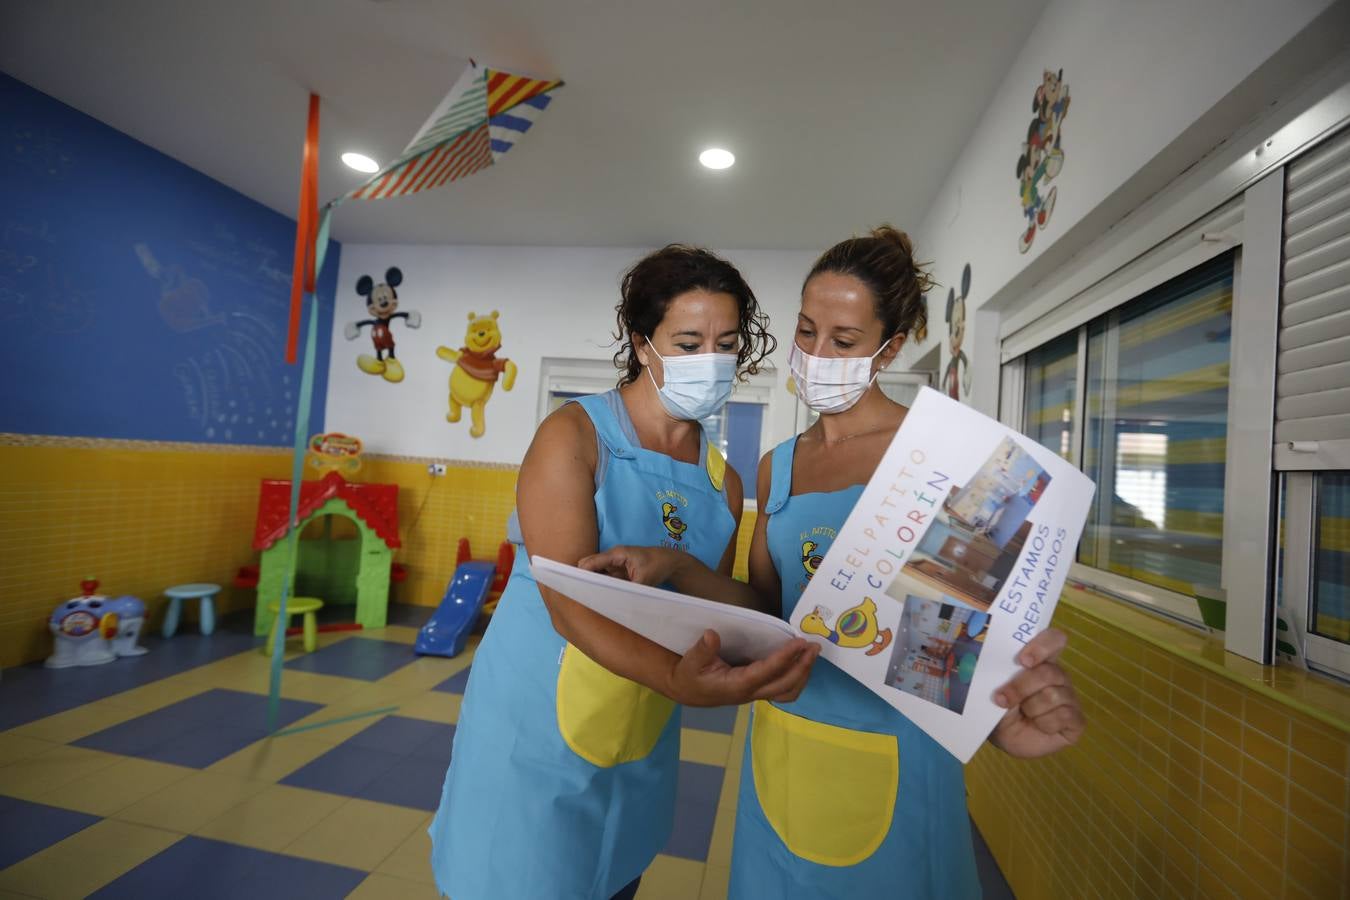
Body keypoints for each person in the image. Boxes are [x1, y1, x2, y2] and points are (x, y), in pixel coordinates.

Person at [582, 226, 1086, 899]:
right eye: (807, 330)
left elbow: (956, 641)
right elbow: (766, 609)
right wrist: (673, 564)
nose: (817, 355)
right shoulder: (780, 464)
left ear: (890, 348)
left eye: (843, 341)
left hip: (898, 756)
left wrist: (1001, 717)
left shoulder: (945, 457)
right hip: (784, 742)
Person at [429, 245, 819, 900]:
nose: (711, 361)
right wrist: (679, 679)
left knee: (615, 875)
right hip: (534, 723)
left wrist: (681, 568)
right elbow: (564, 601)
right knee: (519, 875)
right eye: (688, 341)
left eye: (726, 343)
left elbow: (718, 606)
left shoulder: (721, 482)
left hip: (637, 728)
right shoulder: (576, 436)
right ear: (644, 344)